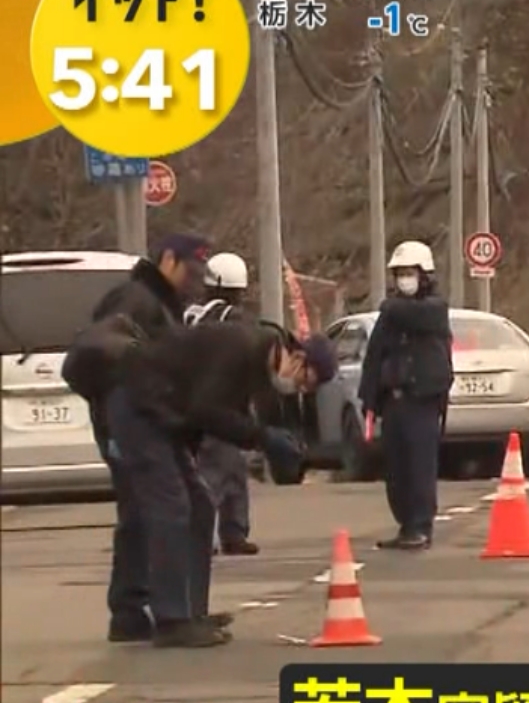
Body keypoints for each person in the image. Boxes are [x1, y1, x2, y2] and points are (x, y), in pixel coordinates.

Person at [81, 318, 333, 647]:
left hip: (163, 415)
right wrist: (261, 438)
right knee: (171, 507)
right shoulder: (243, 345)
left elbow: (214, 412)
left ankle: (189, 611)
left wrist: (266, 439)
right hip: (139, 406)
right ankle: (172, 620)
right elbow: (208, 410)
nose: (296, 388)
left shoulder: (257, 362)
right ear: (298, 356)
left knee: (200, 504)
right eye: (303, 380)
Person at [62, 234, 209, 643]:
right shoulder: (136, 299)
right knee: (172, 505)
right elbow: (105, 356)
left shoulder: (158, 303)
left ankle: (133, 611)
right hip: (132, 419)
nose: (196, 280)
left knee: (143, 512)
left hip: (141, 419)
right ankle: (174, 615)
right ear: (168, 260)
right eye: (191, 270)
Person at [359, 240, 453, 551]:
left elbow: (413, 314)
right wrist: (370, 399)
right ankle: (405, 525)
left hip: (421, 400)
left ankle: (421, 526)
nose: (404, 279)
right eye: (399, 273)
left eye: (410, 272)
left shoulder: (434, 309)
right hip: (393, 401)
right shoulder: (390, 316)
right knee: (396, 469)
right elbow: (375, 355)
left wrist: (388, 307)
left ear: (424, 275)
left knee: (419, 466)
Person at [186, 252, 258, 556]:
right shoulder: (233, 320)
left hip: (198, 402)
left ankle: (232, 532)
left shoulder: (193, 315)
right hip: (225, 404)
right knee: (219, 469)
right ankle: (213, 533)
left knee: (230, 469)